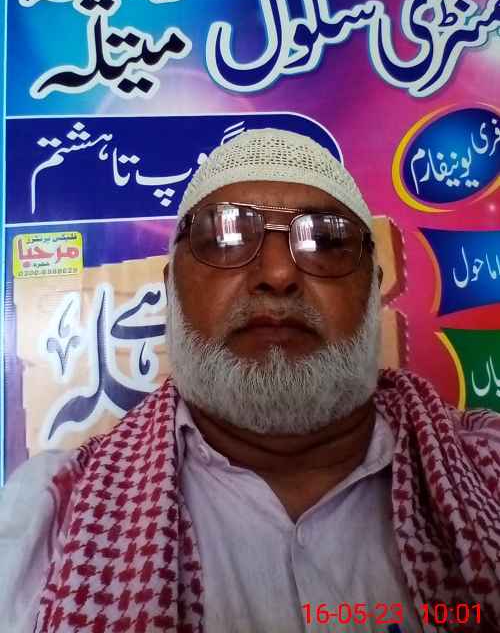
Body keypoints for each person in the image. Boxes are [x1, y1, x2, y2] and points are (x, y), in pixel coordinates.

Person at [1, 127, 499, 633]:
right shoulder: (48, 520)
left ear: (373, 289)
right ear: (172, 290)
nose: (279, 273)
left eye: (326, 240)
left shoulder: (487, 471)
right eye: (224, 237)